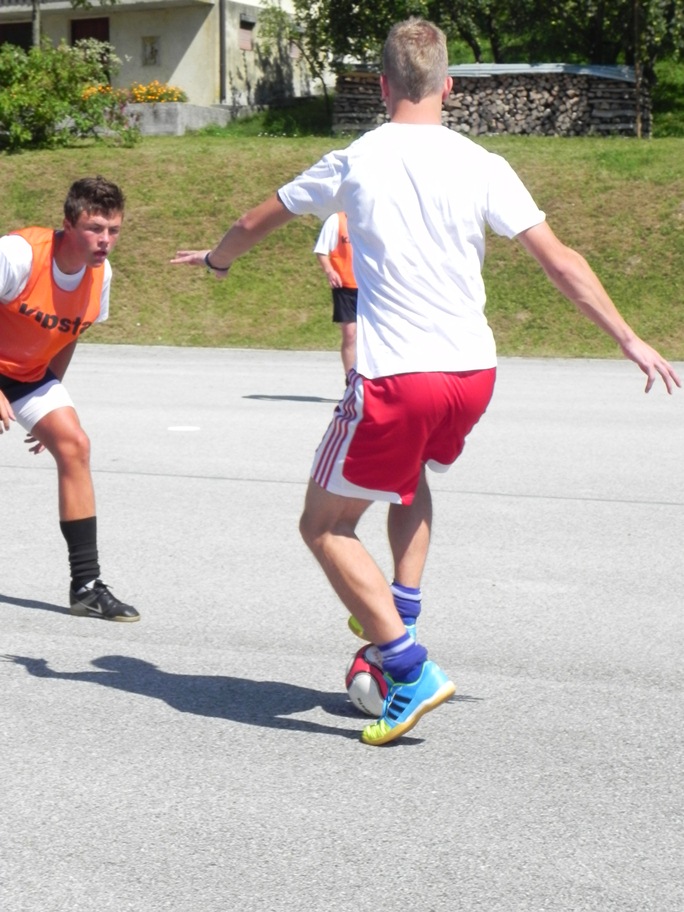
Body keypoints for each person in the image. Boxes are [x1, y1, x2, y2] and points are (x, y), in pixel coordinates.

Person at [171, 18, 680, 745]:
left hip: (397, 377)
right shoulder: (484, 163)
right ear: (449, 86)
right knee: (408, 479)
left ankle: (409, 667)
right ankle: (399, 611)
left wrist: (217, 261)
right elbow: (561, 260)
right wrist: (628, 337)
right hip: (472, 374)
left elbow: (258, 220)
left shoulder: (353, 159)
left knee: (323, 525)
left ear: (382, 86)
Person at [0, 176, 140, 622]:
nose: (105, 240)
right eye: (95, 228)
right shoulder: (19, 255)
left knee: (74, 444)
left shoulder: (101, 275)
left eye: (113, 230)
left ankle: (86, 587)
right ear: (67, 223)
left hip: (27, 376)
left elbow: (68, 334)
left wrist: (46, 404)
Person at [314, 212, 358, 379]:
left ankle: (374, 379)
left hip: (370, 285)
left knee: (374, 336)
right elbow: (321, 251)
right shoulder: (336, 220)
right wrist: (330, 271)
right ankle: (350, 380)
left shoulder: (373, 216)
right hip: (345, 286)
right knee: (350, 334)